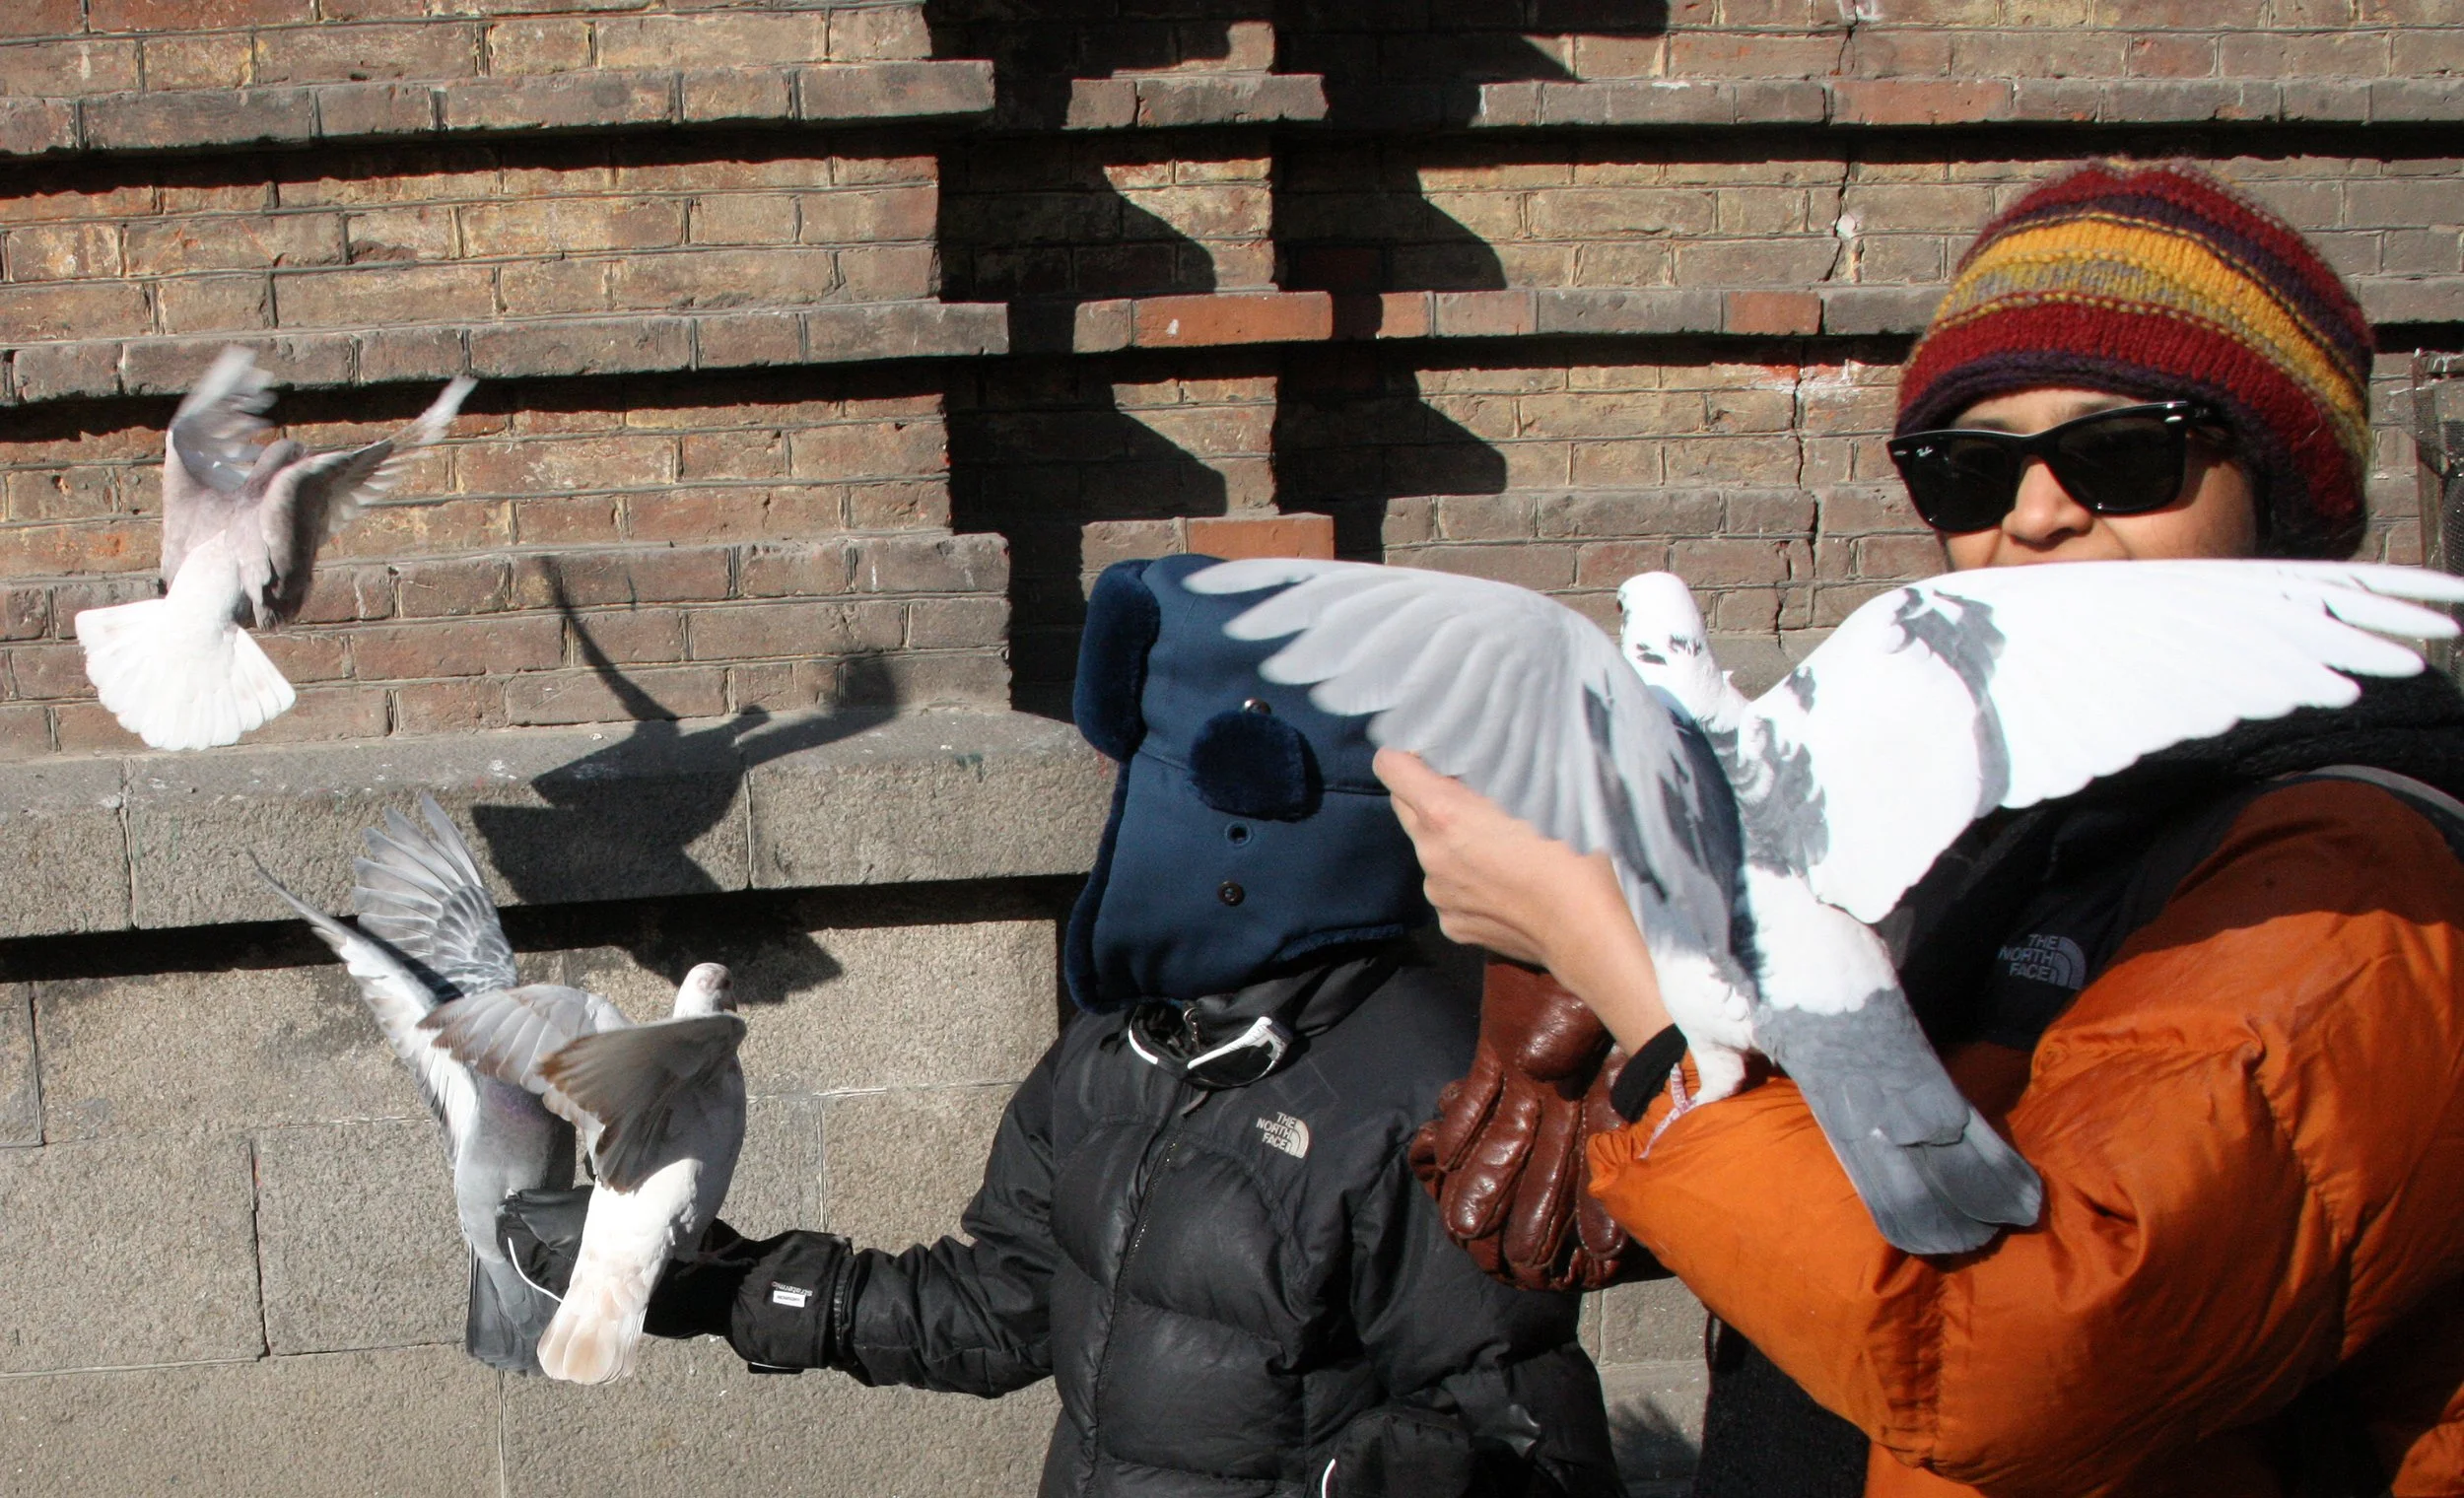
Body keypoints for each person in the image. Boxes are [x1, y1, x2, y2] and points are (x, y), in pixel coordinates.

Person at [1386, 161, 2464, 1496]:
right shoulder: (2013, 827)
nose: (2037, 511)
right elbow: (1841, 1246)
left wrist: (1644, 999)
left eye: (2129, 453)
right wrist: (1633, 1004)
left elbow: (2018, 1363)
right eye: (1968, 470)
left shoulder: (2354, 875)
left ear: (2291, 501)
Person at [503, 552, 1621, 1498]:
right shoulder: (1120, 1045)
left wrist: (1427, 1475)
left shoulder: (1435, 1087)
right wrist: (721, 1281)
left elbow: (1526, 1425)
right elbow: (1000, 1305)